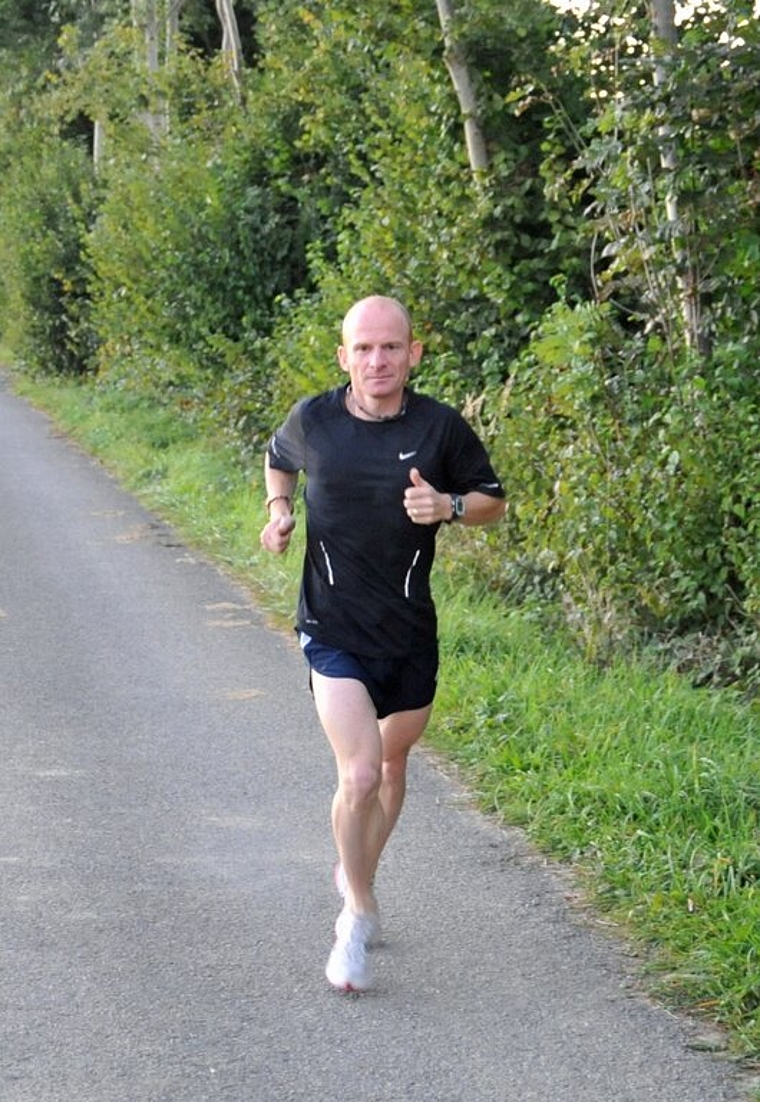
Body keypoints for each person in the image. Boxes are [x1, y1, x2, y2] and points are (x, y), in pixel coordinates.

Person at [260, 295, 505, 993]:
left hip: (407, 633)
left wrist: (450, 508)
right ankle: (357, 911)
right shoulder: (314, 420)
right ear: (343, 356)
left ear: (413, 354)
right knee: (360, 774)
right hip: (331, 627)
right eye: (363, 349)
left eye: (390, 348)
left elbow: (494, 500)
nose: (377, 361)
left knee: (393, 770)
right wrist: (278, 511)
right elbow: (278, 462)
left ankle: (358, 866)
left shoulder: (439, 429)